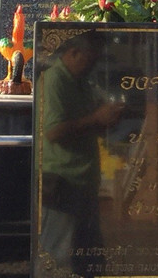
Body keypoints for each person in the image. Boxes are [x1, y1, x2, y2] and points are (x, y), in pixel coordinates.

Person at [36, 33, 124, 277]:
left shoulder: (81, 81)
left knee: (88, 256)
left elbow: (84, 124)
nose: (92, 65)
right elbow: (53, 132)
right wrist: (96, 118)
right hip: (62, 181)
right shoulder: (54, 80)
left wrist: (107, 120)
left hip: (84, 181)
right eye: (89, 59)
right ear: (72, 53)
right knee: (56, 256)